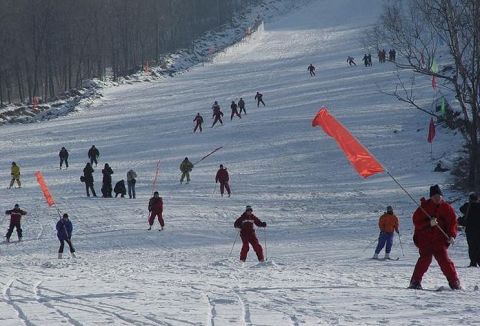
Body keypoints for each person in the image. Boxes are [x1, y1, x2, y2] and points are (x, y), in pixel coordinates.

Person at [409, 185, 461, 290]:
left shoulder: (447, 208)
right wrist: (429, 223)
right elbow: (416, 222)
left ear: (442, 196)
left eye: (439, 196)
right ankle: (415, 282)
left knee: (445, 261)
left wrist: (452, 235)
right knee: (425, 259)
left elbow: (452, 223)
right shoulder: (423, 208)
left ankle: (454, 282)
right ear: (431, 197)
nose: (437, 198)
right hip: (425, 239)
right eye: (435, 197)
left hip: (439, 240)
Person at [459, 192, 480, 267]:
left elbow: (461, 209)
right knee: (478, 246)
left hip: (470, 230)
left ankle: (473, 262)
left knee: (472, 247)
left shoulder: (468, 206)